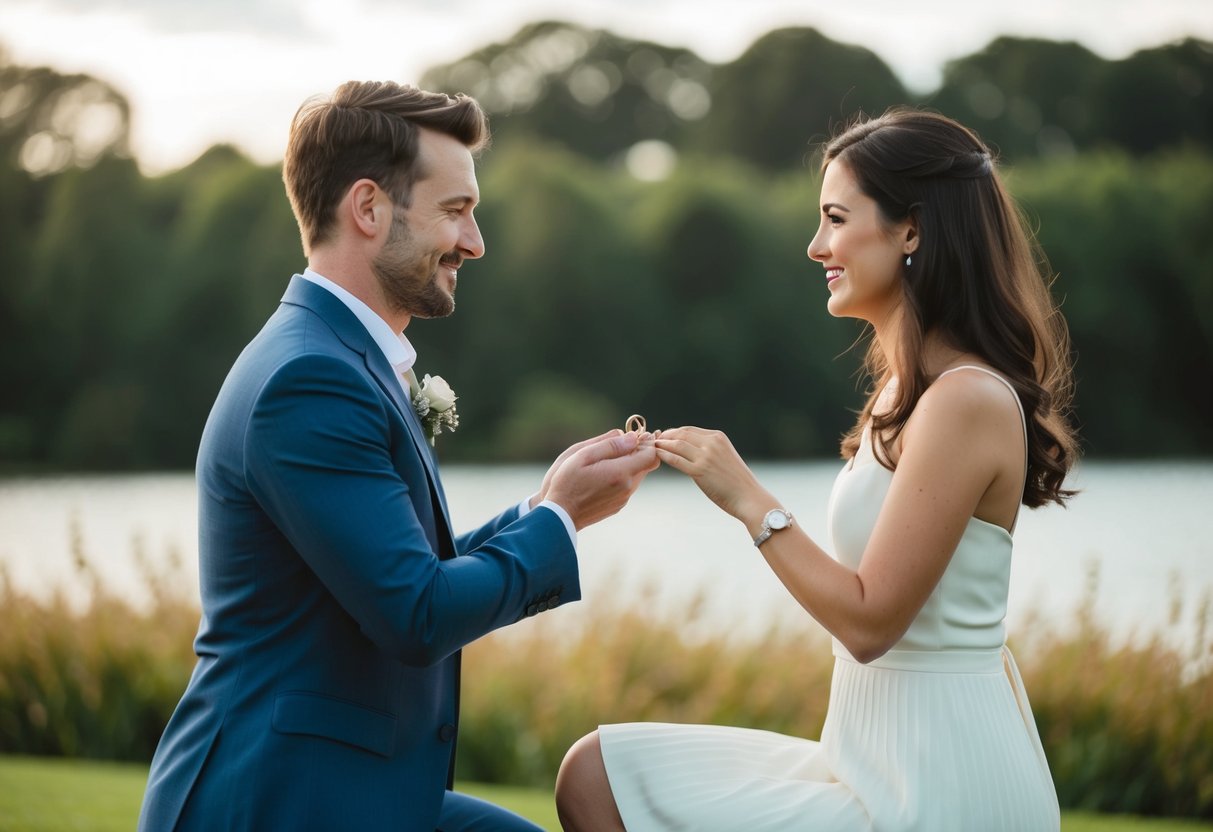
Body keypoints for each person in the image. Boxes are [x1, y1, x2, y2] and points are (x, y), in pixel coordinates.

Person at [137, 80, 658, 832]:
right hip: (277, 801)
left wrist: (544, 506)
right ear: (369, 209)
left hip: (353, 793)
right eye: (456, 212)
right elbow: (415, 613)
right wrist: (561, 525)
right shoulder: (308, 380)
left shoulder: (344, 359)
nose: (474, 242)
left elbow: (403, 572)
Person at [555, 109, 1078, 831]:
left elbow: (869, 622)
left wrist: (745, 498)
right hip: (865, 761)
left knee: (601, 779)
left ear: (912, 231)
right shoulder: (903, 394)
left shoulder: (966, 399)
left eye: (835, 218)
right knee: (599, 771)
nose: (815, 246)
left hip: (938, 782)